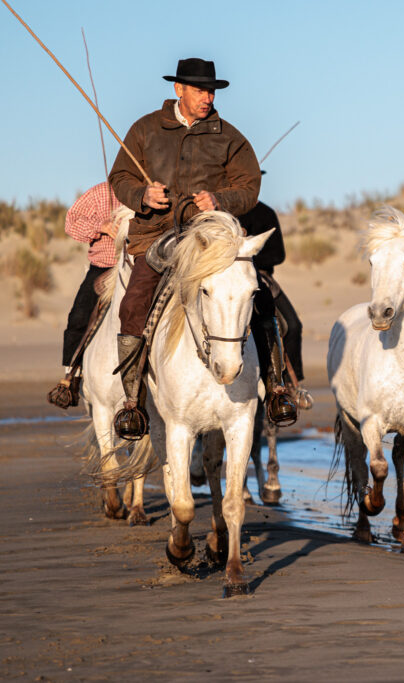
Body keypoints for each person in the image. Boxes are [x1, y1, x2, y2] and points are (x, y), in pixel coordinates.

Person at [107, 57, 275, 439]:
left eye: (211, 90)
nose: (207, 97)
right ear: (178, 89)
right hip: (156, 235)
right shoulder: (145, 129)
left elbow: (249, 188)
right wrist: (143, 195)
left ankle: (278, 386)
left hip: (211, 238)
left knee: (261, 297)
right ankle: (132, 401)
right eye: (200, 89)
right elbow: (120, 177)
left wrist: (219, 200)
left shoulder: (231, 137)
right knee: (134, 305)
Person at [46, 182, 123, 408]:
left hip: (140, 267)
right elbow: (71, 223)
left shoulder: (151, 190)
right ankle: (71, 378)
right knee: (79, 317)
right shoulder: (101, 192)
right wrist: (102, 226)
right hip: (104, 267)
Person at [238, 198, 313, 410]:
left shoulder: (265, 213)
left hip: (260, 276)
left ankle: (290, 384)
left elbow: (278, 254)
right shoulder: (219, 210)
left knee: (293, 325)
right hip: (227, 274)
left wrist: (251, 252)